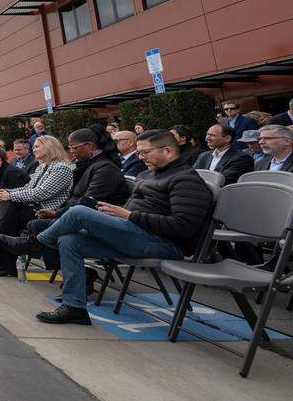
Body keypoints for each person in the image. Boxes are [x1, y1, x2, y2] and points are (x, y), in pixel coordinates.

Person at [33, 130, 213, 325]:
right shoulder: (148, 174)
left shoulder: (186, 180)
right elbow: (134, 209)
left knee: (78, 212)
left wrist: (128, 215)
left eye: (145, 153)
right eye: (138, 153)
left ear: (168, 151)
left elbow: (183, 226)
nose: (140, 157)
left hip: (165, 244)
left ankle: (36, 243)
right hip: (135, 233)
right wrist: (116, 214)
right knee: (69, 240)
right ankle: (74, 307)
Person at [0, 127, 131, 264]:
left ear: (89, 146)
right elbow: (74, 198)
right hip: (73, 212)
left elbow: (86, 202)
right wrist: (56, 212)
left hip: (96, 219)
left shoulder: (103, 169)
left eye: (74, 148)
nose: (71, 152)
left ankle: (29, 245)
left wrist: (57, 213)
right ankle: (8, 247)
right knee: (10, 208)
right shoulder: (83, 165)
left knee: (21, 214)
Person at [0, 135, 74, 277]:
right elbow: (27, 187)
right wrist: (5, 193)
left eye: (36, 146)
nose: (33, 149)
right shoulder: (42, 168)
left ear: (50, 147)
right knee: (4, 209)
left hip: (46, 211)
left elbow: (42, 193)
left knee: (9, 207)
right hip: (33, 208)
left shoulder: (61, 168)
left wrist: (9, 195)